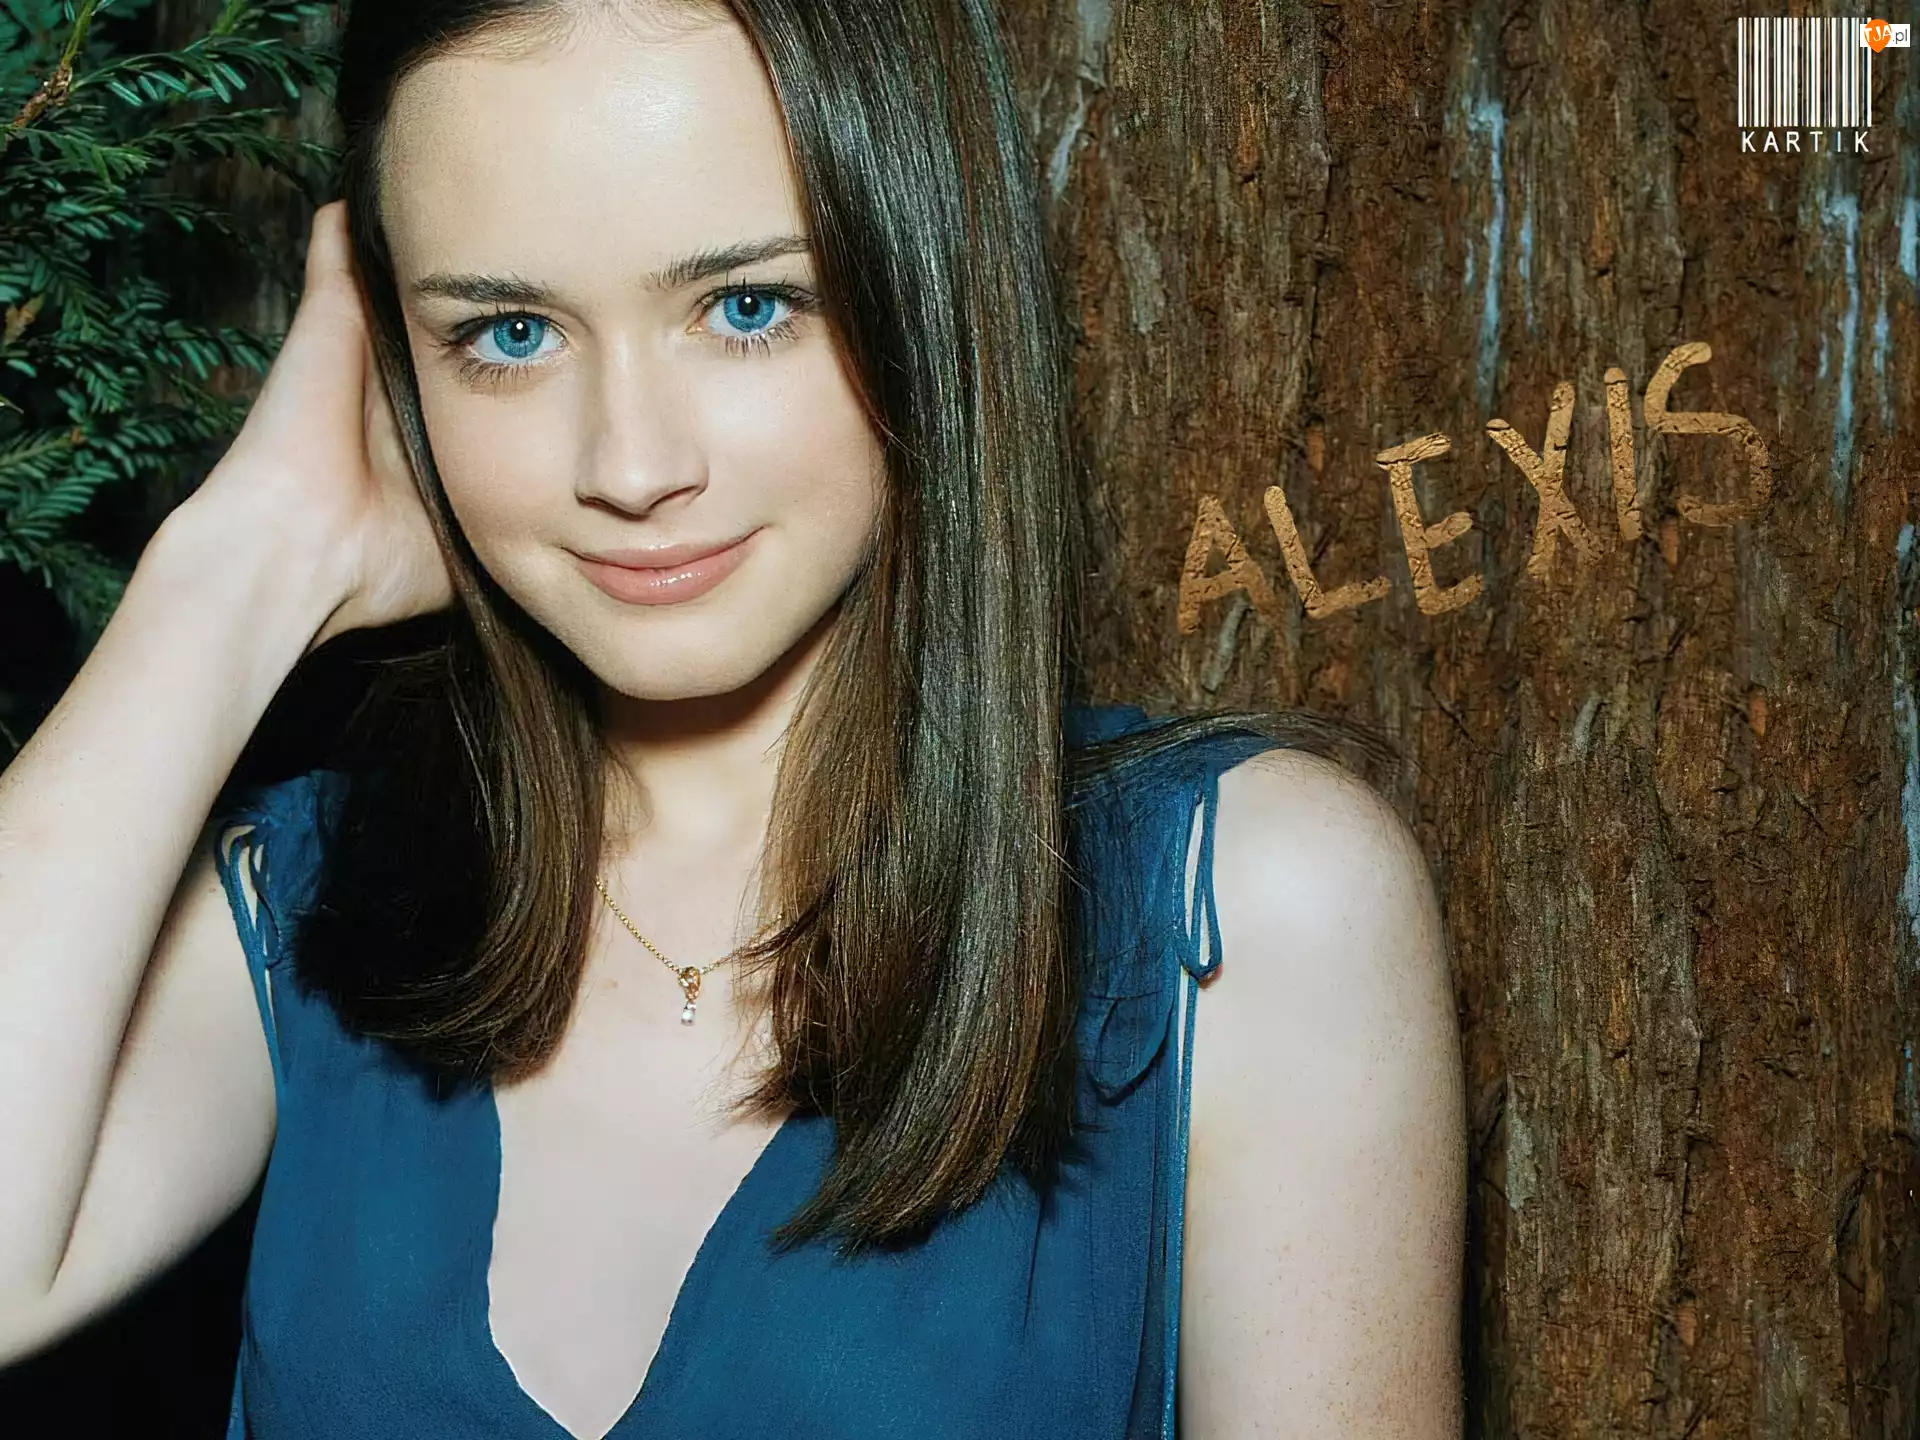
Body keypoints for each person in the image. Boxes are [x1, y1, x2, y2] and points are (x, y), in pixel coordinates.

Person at [0, 0, 1466, 1435]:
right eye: (511, 332)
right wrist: (242, 569)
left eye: (746, 308)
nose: (630, 464)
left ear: (926, 289)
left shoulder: (1246, 905)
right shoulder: (309, 903)